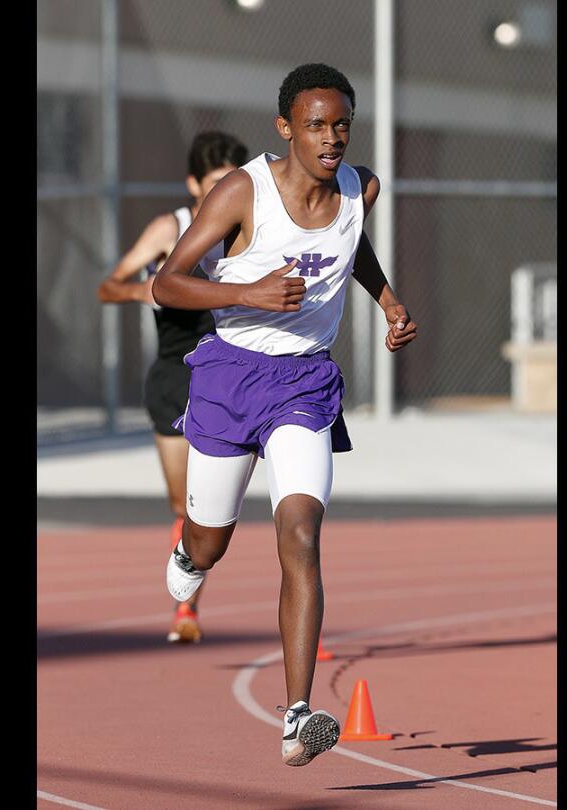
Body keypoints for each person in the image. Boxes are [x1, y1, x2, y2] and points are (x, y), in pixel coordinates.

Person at [152, 63, 416, 766]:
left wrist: (386, 299)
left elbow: (351, 241)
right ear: (285, 128)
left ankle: (298, 717)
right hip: (230, 375)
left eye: (341, 126)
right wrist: (253, 292)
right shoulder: (244, 190)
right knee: (211, 545)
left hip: (304, 384)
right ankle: (189, 554)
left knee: (301, 532)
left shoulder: (362, 187)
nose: (331, 139)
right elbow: (167, 282)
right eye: (316, 126)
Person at [96, 131, 250, 644]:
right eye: (212, 183)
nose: (221, 191)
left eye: (230, 181)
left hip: (230, 372)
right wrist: (144, 287)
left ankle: (194, 610)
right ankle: (188, 599)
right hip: (173, 374)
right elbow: (108, 285)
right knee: (185, 506)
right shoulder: (171, 227)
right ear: (191, 184)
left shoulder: (251, 225)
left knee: (233, 497)